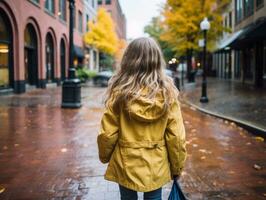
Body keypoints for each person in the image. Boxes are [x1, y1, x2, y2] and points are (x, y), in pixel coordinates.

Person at [97, 37, 187, 200]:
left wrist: (105, 156)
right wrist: (177, 167)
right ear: (157, 61)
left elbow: (107, 134)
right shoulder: (168, 94)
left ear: (128, 60)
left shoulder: (119, 93)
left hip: (125, 162)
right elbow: (176, 137)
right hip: (156, 163)